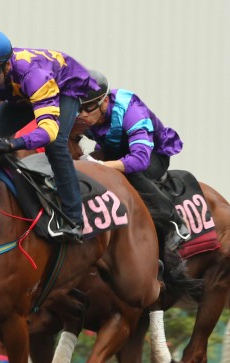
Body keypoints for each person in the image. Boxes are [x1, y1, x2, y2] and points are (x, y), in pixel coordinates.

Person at [0, 28, 96, 243]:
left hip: (62, 87)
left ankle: (74, 219)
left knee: (56, 145)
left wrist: (13, 143)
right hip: (20, 93)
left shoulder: (35, 76)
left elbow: (48, 132)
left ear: (6, 65)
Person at [76, 69, 190, 248]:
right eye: (77, 108)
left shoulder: (130, 110)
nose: (82, 114)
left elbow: (139, 159)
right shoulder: (84, 114)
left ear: (104, 102)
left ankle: (174, 223)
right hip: (115, 150)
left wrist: (102, 166)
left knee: (131, 173)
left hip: (152, 154)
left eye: (88, 108)